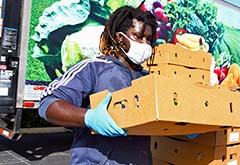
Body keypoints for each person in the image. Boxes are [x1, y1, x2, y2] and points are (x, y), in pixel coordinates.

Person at [38, 4, 157, 165]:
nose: (145, 44)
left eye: (149, 39)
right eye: (138, 36)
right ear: (120, 37)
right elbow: (49, 104)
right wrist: (88, 117)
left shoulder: (149, 79)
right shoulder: (93, 68)